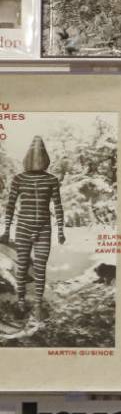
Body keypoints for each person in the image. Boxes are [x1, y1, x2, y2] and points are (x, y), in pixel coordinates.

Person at [2, 137, 62, 326]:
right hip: (25, 226)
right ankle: (21, 301)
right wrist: (6, 230)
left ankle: (36, 304)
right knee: (22, 265)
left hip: (43, 227)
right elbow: (10, 205)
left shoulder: (52, 180)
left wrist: (61, 229)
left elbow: (58, 206)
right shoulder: (19, 179)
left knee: (39, 267)